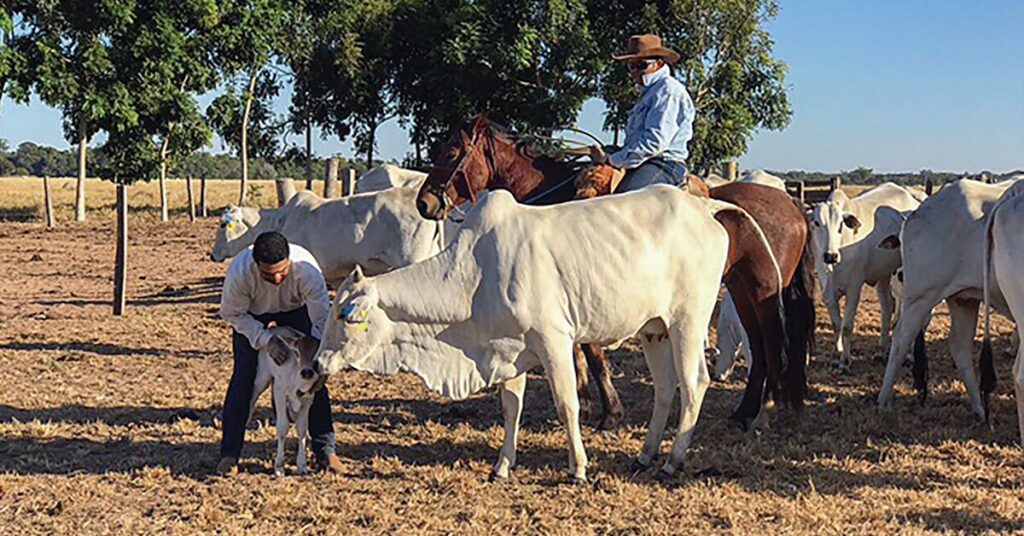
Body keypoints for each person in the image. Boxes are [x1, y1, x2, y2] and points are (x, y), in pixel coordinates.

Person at [215, 231, 342, 475]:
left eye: (282, 272)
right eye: (267, 274)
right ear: (255, 265)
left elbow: (321, 321)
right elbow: (232, 314)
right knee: (243, 378)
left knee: (312, 378)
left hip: (296, 310)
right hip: (251, 314)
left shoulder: (307, 271)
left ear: (289, 260)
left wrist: (316, 359)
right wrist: (265, 339)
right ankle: (230, 454)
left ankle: (326, 451)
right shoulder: (240, 273)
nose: (276, 278)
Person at [588, 34, 696, 193]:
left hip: (663, 164)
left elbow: (655, 142)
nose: (634, 72)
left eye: (641, 66)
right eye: (631, 66)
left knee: (622, 201)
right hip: (644, 161)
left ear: (659, 64)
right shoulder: (650, 92)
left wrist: (612, 160)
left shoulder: (668, 91)